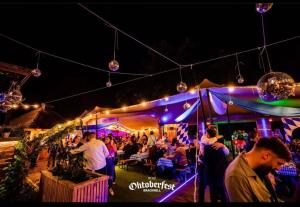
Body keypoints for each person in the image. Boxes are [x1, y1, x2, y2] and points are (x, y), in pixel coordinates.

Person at [225, 137, 292, 202]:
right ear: (266, 155)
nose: (278, 168)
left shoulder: (260, 168)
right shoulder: (237, 176)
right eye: (279, 163)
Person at [70, 132, 115, 196]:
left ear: (88, 137)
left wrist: (68, 150)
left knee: (95, 182)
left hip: (92, 168)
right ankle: (106, 190)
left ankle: (97, 193)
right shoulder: (101, 142)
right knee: (104, 180)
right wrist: (100, 158)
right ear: (95, 136)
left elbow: (74, 151)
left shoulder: (86, 145)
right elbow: (107, 154)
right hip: (103, 165)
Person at [200, 125, 229, 202]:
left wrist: (200, 158)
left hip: (213, 172)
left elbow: (204, 158)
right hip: (219, 172)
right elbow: (226, 153)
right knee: (221, 192)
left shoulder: (209, 147)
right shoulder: (205, 139)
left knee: (216, 193)